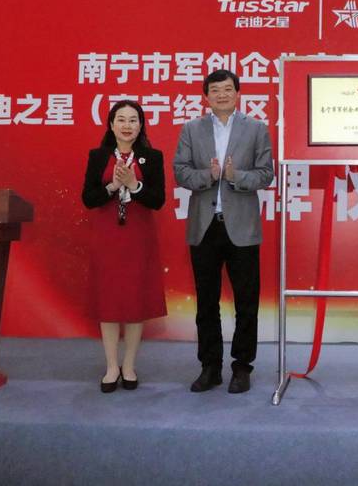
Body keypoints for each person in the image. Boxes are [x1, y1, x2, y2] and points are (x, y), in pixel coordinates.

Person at [174, 69, 273, 394]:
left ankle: (242, 367)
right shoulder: (192, 129)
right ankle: (210, 367)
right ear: (206, 96)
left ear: (238, 93)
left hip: (242, 228)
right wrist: (209, 175)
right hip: (204, 227)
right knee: (206, 302)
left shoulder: (256, 128)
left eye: (228, 89)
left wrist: (235, 176)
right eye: (215, 90)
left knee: (247, 302)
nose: (221, 95)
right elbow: (180, 172)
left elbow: (266, 174)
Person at [81, 100, 167, 393]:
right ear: (111, 124)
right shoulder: (98, 156)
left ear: (141, 125)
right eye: (121, 119)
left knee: (134, 301)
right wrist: (113, 187)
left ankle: (128, 365)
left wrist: (135, 185)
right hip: (107, 237)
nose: (127, 125)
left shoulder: (152, 157)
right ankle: (111, 366)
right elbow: (88, 198)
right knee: (108, 300)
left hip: (138, 237)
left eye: (133, 120)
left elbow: (157, 200)